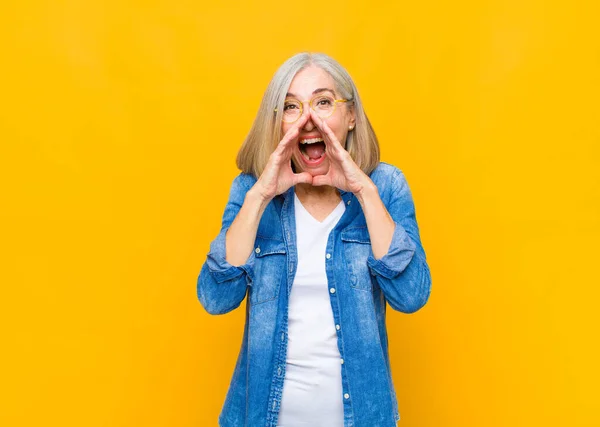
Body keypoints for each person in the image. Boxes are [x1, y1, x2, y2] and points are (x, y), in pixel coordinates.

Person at [197, 52, 432, 427]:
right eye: (291, 106)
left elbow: (411, 296)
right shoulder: (250, 191)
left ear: (351, 115)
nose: (308, 119)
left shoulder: (385, 187)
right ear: (277, 122)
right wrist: (259, 196)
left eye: (323, 102)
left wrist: (363, 191)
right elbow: (215, 298)